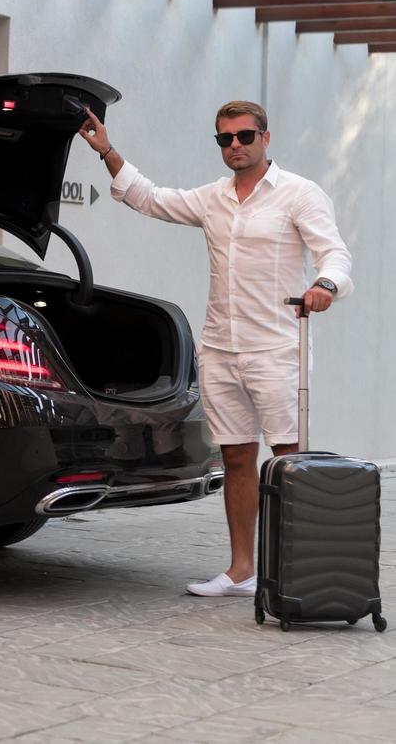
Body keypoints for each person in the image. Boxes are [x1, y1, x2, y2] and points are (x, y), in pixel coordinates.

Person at [78, 101, 352, 597]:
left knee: (287, 459)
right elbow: (149, 198)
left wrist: (327, 285)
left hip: (277, 348)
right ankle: (241, 570)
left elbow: (333, 251)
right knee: (237, 457)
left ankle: (288, 571)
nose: (235, 146)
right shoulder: (213, 199)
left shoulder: (298, 194)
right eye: (224, 139)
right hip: (222, 348)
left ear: (266, 138)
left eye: (244, 136)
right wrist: (107, 151)